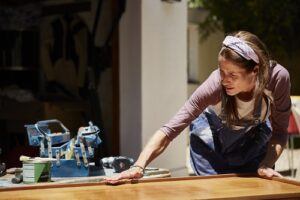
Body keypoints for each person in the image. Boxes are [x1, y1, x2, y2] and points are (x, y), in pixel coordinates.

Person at [104, 31, 291, 184]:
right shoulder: (214, 86)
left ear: (255, 70)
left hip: (252, 143)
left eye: (232, 74)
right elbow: (170, 130)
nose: (224, 80)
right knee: (219, 193)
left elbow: (280, 131)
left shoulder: (277, 79)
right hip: (211, 145)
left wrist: (267, 164)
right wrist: (138, 166)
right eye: (221, 71)